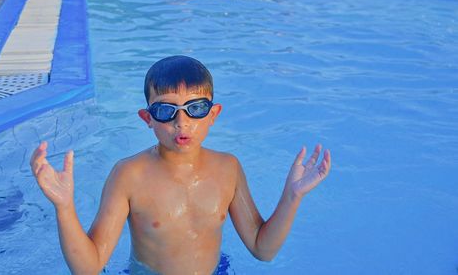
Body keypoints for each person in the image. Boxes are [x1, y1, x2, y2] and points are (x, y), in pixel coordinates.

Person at [30, 55, 332, 275]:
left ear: (213, 114)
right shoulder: (129, 175)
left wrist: (292, 197)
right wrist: (64, 207)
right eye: (165, 110)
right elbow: (90, 267)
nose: (181, 122)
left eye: (195, 108)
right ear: (147, 118)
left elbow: (262, 249)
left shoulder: (228, 168)